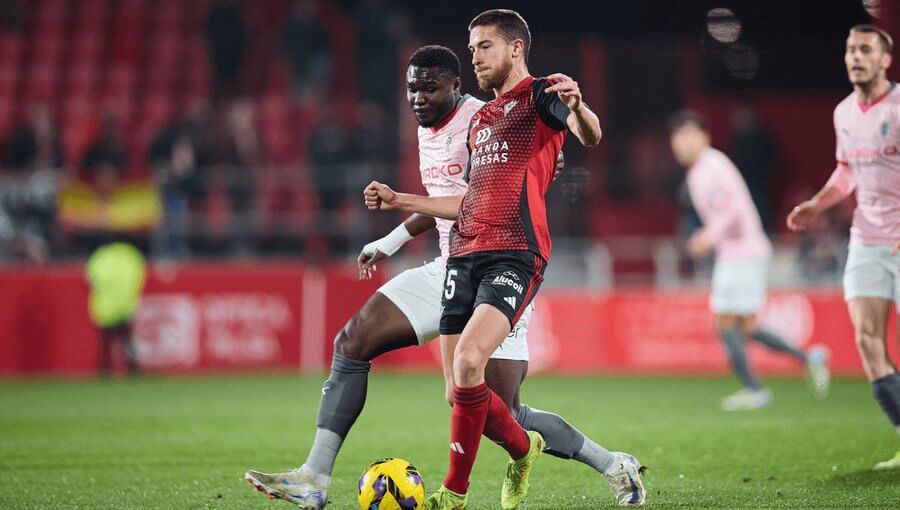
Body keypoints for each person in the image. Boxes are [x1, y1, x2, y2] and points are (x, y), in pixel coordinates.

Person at [245, 44, 642, 509]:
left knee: (500, 411)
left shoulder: (484, 120)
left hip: (500, 267)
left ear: (457, 86)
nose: (418, 98)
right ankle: (314, 476)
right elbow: (440, 198)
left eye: (429, 88)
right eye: (412, 89)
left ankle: (613, 463)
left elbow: (475, 201)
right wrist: (389, 243)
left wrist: (399, 200)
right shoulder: (427, 127)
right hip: (449, 267)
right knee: (352, 341)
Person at [364, 10, 644, 509]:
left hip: (514, 255)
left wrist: (578, 110)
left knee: (473, 367)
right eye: (471, 49)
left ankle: (453, 495)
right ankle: (530, 451)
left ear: (515, 48)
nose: (475, 57)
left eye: (484, 47)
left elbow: (591, 135)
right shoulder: (483, 120)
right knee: (466, 395)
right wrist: (401, 209)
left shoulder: (543, 94)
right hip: (463, 257)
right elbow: (470, 198)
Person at [787, 24, 900, 470]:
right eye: (850, 49)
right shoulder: (844, 113)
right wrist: (816, 205)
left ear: (885, 59)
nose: (855, 56)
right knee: (868, 340)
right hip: (867, 241)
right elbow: (846, 171)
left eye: (865, 49)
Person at [667, 110, 831, 411]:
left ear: (705, 136)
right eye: (678, 138)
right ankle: (809, 358)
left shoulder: (711, 166)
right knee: (744, 325)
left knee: (725, 321)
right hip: (740, 251)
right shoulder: (702, 170)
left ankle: (754, 389)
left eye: (688, 136)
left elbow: (731, 209)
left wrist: (707, 238)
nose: (682, 144)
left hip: (741, 251)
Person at [86, 242, 146, 378]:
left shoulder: (99, 258)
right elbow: (139, 279)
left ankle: (105, 370)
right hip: (125, 307)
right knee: (127, 341)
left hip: (104, 309)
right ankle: (133, 369)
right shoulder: (130, 256)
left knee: (106, 344)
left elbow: (91, 281)